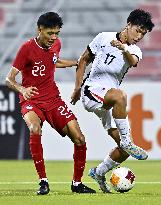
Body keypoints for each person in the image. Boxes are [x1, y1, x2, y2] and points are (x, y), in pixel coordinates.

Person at [6, 12, 96, 195]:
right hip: (31, 100)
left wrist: (75, 63)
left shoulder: (56, 44)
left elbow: (53, 62)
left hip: (53, 99)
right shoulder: (26, 49)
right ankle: (43, 182)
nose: (53, 38)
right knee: (34, 129)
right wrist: (22, 89)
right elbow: (9, 79)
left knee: (79, 139)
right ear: (39, 30)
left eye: (57, 33)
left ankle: (77, 184)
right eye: (50, 33)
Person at [71, 9, 154, 193]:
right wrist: (77, 88)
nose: (139, 36)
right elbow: (83, 59)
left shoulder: (134, 50)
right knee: (120, 95)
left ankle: (99, 172)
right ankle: (126, 140)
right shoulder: (103, 37)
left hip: (107, 101)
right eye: (138, 30)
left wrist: (123, 48)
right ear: (128, 25)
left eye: (143, 33)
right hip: (92, 91)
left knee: (124, 150)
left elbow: (132, 61)